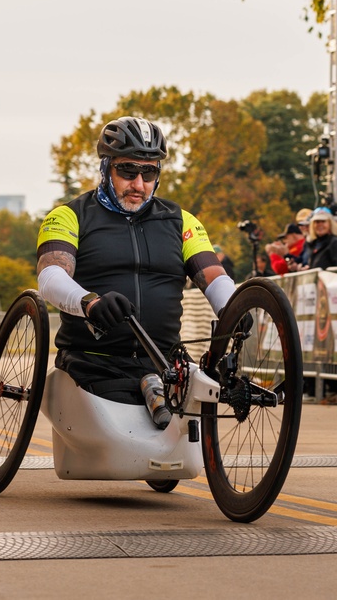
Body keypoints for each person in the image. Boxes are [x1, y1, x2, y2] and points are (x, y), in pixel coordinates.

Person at [35, 116, 238, 405]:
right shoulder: (69, 216)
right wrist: (89, 303)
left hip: (166, 364)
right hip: (93, 362)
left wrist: (234, 307)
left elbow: (214, 276)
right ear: (106, 168)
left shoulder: (182, 221)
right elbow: (51, 276)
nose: (139, 184)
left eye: (149, 173)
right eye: (128, 171)